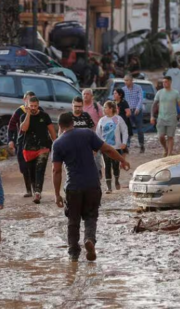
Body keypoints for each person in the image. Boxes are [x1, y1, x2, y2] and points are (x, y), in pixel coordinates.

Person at [52, 112, 130, 262]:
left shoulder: (58, 143)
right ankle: (89, 239)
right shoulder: (87, 134)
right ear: (73, 123)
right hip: (92, 185)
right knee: (90, 217)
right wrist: (122, 160)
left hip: (73, 187)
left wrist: (57, 194)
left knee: (73, 220)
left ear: (60, 126)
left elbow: (56, 170)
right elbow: (107, 149)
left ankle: (74, 253)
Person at [20, 96, 57, 204]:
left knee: (40, 170)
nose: (33, 108)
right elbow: (24, 129)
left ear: (38, 105)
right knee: (31, 172)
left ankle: (37, 193)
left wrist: (56, 143)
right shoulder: (24, 116)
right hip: (29, 148)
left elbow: (51, 131)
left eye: (35, 106)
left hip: (43, 147)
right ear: (27, 105)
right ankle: (35, 189)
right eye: (31, 106)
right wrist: (28, 114)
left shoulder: (44, 116)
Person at [8, 91, 37, 197]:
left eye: (33, 100)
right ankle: (29, 189)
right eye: (29, 99)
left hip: (35, 143)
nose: (31, 102)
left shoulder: (39, 111)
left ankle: (34, 189)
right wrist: (10, 140)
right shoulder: (19, 111)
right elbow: (11, 126)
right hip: (21, 143)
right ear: (24, 100)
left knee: (34, 167)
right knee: (24, 167)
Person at [96, 101, 128, 193]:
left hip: (116, 147)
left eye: (105, 107)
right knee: (107, 166)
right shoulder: (102, 120)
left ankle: (117, 180)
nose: (104, 109)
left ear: (111, 109)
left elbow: (125, 131)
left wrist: (124, 142)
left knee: (115, 165)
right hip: (105, 147)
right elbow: (98, 134)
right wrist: (98, 145)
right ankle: (109, 187)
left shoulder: (118, 119)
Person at [152, 75, 180, 157]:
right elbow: (154, 105)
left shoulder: (175, 93)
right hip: (161, 117)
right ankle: (165, 149)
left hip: (172, 117)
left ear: (170, 82)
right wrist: (152, 116)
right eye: (163, 82)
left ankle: (169, 154)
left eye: (166, 82)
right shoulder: (159, 92)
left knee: (170, 136)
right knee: (161, 136)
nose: (164, 83)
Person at [122, 75, 146, 153]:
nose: (126, 82)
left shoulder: (138, 87)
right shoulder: (123, 89)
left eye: (127, 80)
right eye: (125, 80)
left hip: (137, 111)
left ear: (132, 80)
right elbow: (123, 101)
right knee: (127, 129)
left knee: (140, 129)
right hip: (128, 111)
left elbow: (140, 98)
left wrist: (138, 108)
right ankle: (127, 146)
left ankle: (141, 145)